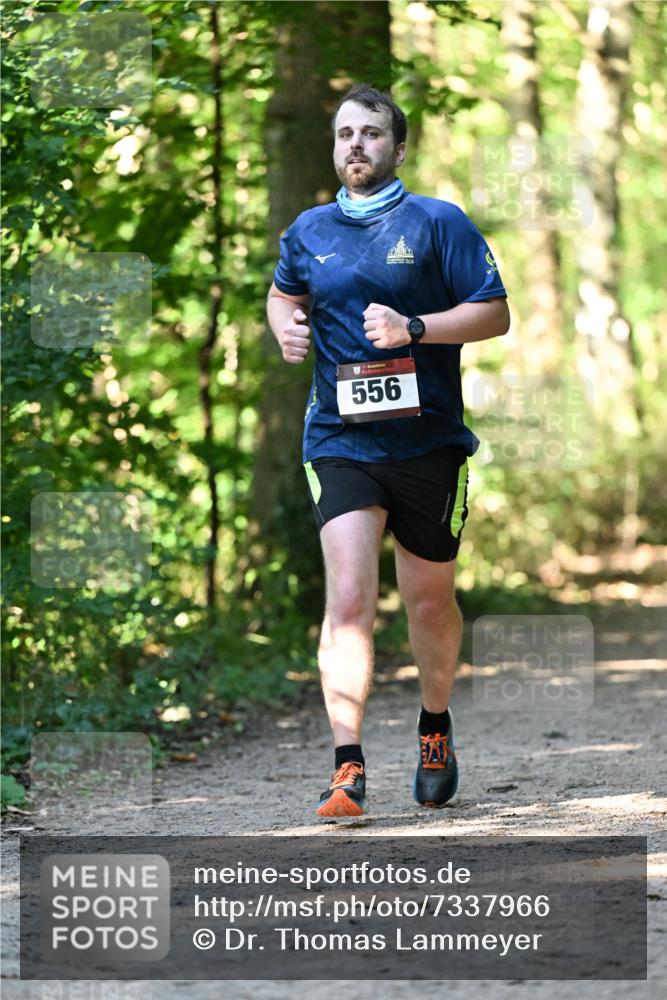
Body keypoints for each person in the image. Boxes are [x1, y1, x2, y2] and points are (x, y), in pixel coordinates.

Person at [266, 83, 509, 818]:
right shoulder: (308, 230)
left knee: (430, 603)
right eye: (344, 134)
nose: (355, 147)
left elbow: (494, 314)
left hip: (427, 440)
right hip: (339, 439)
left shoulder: (439, 223)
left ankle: (434, 727)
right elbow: (284, 294)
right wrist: (283, 325)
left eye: (370, 134)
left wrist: (415, 328)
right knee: (346, 599)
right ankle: (347, 767)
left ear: (397, 147)